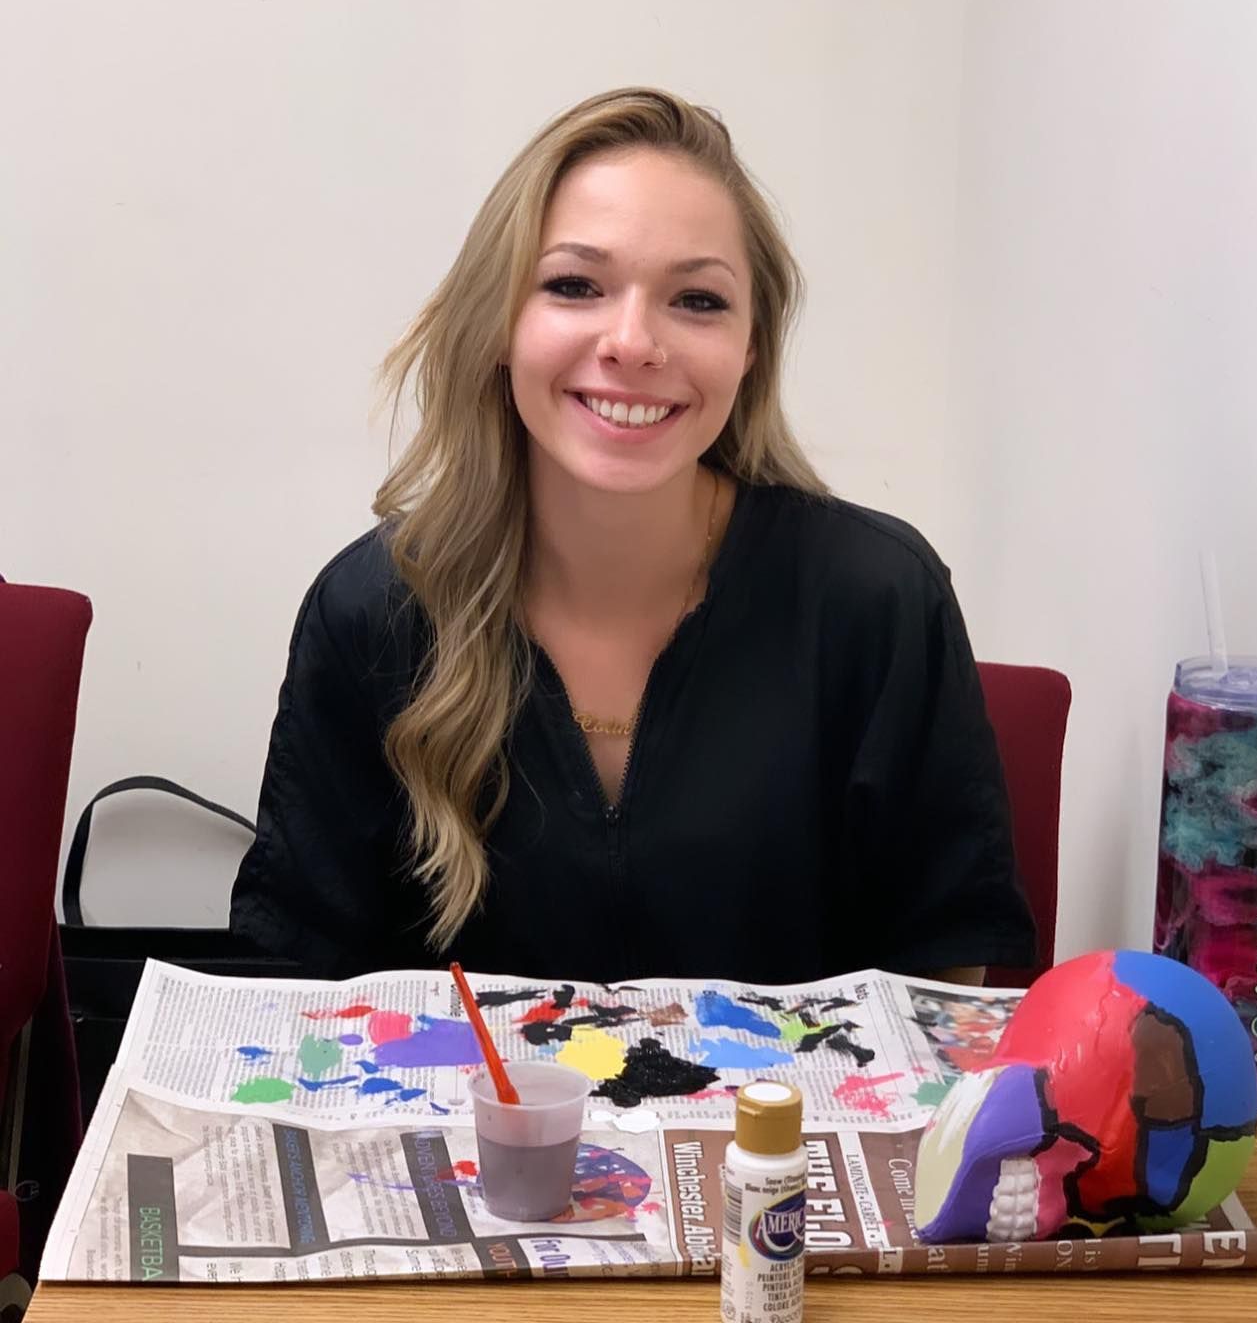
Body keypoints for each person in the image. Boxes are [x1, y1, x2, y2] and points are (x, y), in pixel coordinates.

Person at [230, 87, 1035, 986]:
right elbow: (302, 984)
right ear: (499, 325)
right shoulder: (368, 611)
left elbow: (944, 980)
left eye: (697, 299)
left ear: (751, 349)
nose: (633, 342)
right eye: (574, 286)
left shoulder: (878, 598)